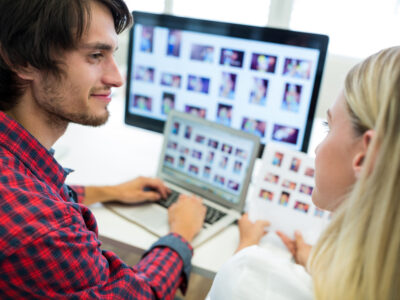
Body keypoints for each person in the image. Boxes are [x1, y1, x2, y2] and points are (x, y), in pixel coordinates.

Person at [0, 1, 206, 299]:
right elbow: (137, 295)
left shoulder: (17, 170)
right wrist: (181, 235)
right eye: (95, 56)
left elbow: (36, 193)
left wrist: (109, 191)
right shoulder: (41, 229)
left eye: (112, 54)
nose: (116, 78)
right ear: (22, 60)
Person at [208, 46, 400, 299]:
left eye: (328, 126)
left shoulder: (247, 276)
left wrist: (246, 249)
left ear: (365, 158)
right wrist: (319, 266)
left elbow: (242, 286)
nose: (318, 148)